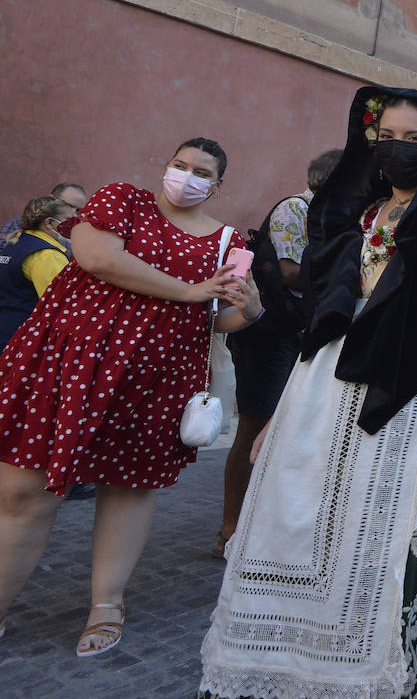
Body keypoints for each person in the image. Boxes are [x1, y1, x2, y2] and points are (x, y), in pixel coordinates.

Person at [199, 86, 417, 697]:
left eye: (415, 140)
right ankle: (308, 665)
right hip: (327, 396)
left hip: (416, 392)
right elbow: (325, 321)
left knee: (402, 539)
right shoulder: (358, 217)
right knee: (319, 533)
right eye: (389, 138)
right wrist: (285, 414)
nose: (399, 149)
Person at [0, 140, 259, 656]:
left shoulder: (228, 240)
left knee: (127, 487)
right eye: (180, 165)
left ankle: (107, 604)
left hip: (157, 378)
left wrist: (250, 309)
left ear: (218, 184)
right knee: (22, 491)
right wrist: (189, 290)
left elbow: (220, 317)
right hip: (72, 362)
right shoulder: (124, 200)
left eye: (201, 171)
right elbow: (97, 258)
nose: (186, 176)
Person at [212, 148, 343, 559]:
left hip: (297, 331)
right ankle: (230, 531)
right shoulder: (295, 209)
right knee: (255, 425)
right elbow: (289, 271)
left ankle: (263, 525)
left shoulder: (326, 218)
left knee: (287, 429)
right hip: (266, 332)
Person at [0, 196, 75, 350]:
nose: (73, 225)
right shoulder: (47, 254)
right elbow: (60, 304)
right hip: (21, 338)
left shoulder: (16, 243)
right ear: (49, 223)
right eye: (68, 220)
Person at [0, 183, 88, 257]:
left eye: (78, 210)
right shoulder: (15, 226)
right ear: (51, 199)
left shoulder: (76, 236)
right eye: (68, 205)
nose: (72, 214)